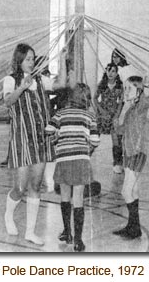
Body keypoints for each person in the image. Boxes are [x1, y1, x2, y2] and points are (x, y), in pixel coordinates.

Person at [3, 43, 67, 245]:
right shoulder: (10, 80)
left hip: (40, 139)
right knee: (20, 187)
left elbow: (61, 84)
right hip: (22, 138)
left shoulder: (40, 80)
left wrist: (63, 59)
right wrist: (21, 87)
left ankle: (30, 231)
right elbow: (8, 102)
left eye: (33, 59)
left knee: (36, 185)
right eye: (28, 59)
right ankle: (8, 215)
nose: (31, 62)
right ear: (19, 60)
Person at [46, 83, 100, 252]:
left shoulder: (60, 114)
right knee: (78, 198)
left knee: (65, 196)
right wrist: (87, 150)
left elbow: (48, 130)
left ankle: (67, 233)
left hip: (63, 159)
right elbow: (95, 141)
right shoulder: (90, 116)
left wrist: (57, 140)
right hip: (81, 160)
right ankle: (78, 240)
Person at [113, 76, 149, 240]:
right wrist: (124, 108)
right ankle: (133, 227)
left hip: (137, 153)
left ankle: (134, 227)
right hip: (129, 153)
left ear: (138, 92)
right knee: (133, 191)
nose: (125, 91)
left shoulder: (141, 106)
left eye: (129, 88)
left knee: (126, 191)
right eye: (125, 88)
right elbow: (119, 128)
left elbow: (148, 97)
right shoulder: (127, 108)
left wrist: (147, 85)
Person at [93, 63, 124, 173]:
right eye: (109, 70)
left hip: (113, 115)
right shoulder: (102, 84)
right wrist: (101, 111)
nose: (110, 73)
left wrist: (116, 115)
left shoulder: (120, 85)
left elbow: (121, 102)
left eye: (113, 71)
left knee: (116, 140)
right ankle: (86, 159)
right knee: (94, 137)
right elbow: (95, 99)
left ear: (116, 73)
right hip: (102, 115)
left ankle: (117, 164)